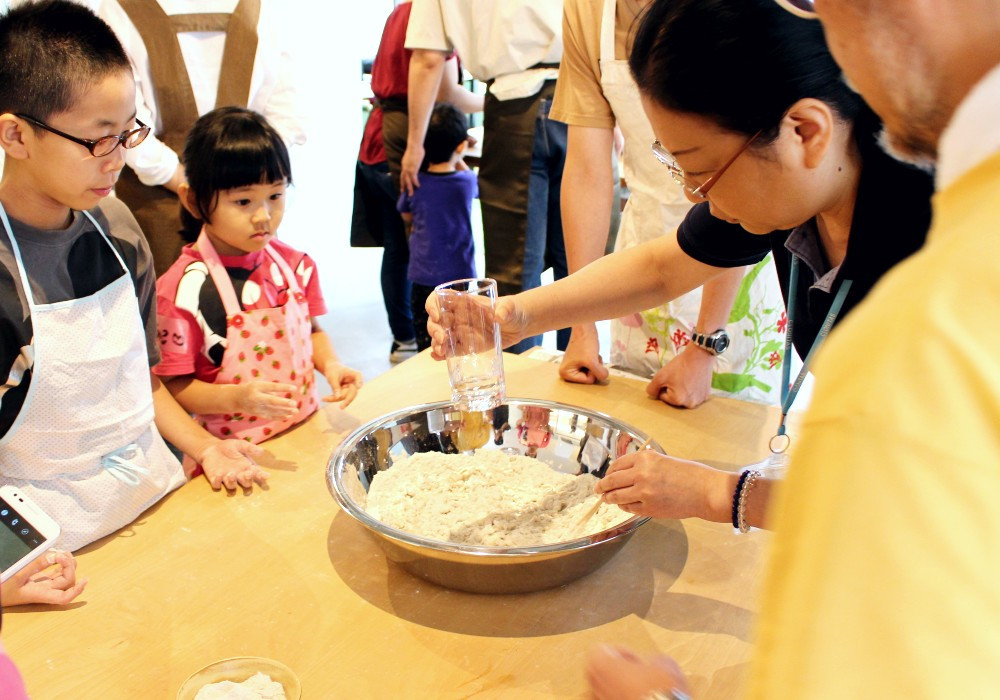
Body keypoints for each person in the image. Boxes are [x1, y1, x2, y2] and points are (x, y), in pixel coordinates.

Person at [587, 0, 1000, 696]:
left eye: (818, 6)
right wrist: (511, 316)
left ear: (804, 131)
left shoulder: (930, 317)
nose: (830, 41)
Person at [428, 0, 931, 527]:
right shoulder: (801, 189)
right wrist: (511, 317)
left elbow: (920, 491)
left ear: (804, 131)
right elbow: (661, 268)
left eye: (704, 170)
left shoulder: (932, 251)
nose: (697, 195)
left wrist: (722, 494)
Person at [0, 1, 266, 566]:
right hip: (49, 549)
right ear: (16, 135)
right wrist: (6, 569)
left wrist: (206, 447)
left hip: (153, 502)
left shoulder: (119, 228)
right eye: (98, 140)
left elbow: (139, 386)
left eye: (129, 134)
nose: (117, 159)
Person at [551, 0, 786, 407]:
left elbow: (743, 176)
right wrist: (581, 324)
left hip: (734, 254)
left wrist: (705, 344)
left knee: (723, 451)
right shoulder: (587, 11)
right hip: (639, 258)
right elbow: (588, 173)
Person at [154, 107, 361, 461]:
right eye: (243, 201)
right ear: (193, 200)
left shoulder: (295, 265)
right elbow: (174, 385)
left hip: (305, 432)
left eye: (276, 196)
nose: (264, 215)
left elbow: (311, 331)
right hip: (231, 454)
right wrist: (236, 399)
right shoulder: (181, 291)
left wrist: (332, 366)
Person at [403, 0, 570, 353]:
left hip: (515, 106)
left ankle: (521, 396)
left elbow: (429, 57)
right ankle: (582, 371)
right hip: (582, 99)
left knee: (515, 277)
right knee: (578, 266)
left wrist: (415, 144)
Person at [97, 0, 305, 276]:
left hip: (191, 189)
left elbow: (127, 123)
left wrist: (201, 184)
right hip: (199, 197)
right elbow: (284, 116)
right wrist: (237, 176)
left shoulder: (118, 9)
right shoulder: (262, 9)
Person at [352, 0, 482, 364]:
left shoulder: (400, 10)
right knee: (406, 245)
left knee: (397, 246)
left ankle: (404, 338)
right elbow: (447, 91)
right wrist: (500, 101)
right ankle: (433, 337)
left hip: (378, 137)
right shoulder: (434, 11)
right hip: (410, 132)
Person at [397, 103, 478, 352]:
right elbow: (471, 179)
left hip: (423, 276)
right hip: (460, 275)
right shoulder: (465, 182)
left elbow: (406, 214)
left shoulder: (415, 183)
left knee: (427, 339)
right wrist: (460, 156)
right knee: (461, 336)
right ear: (460, 146)